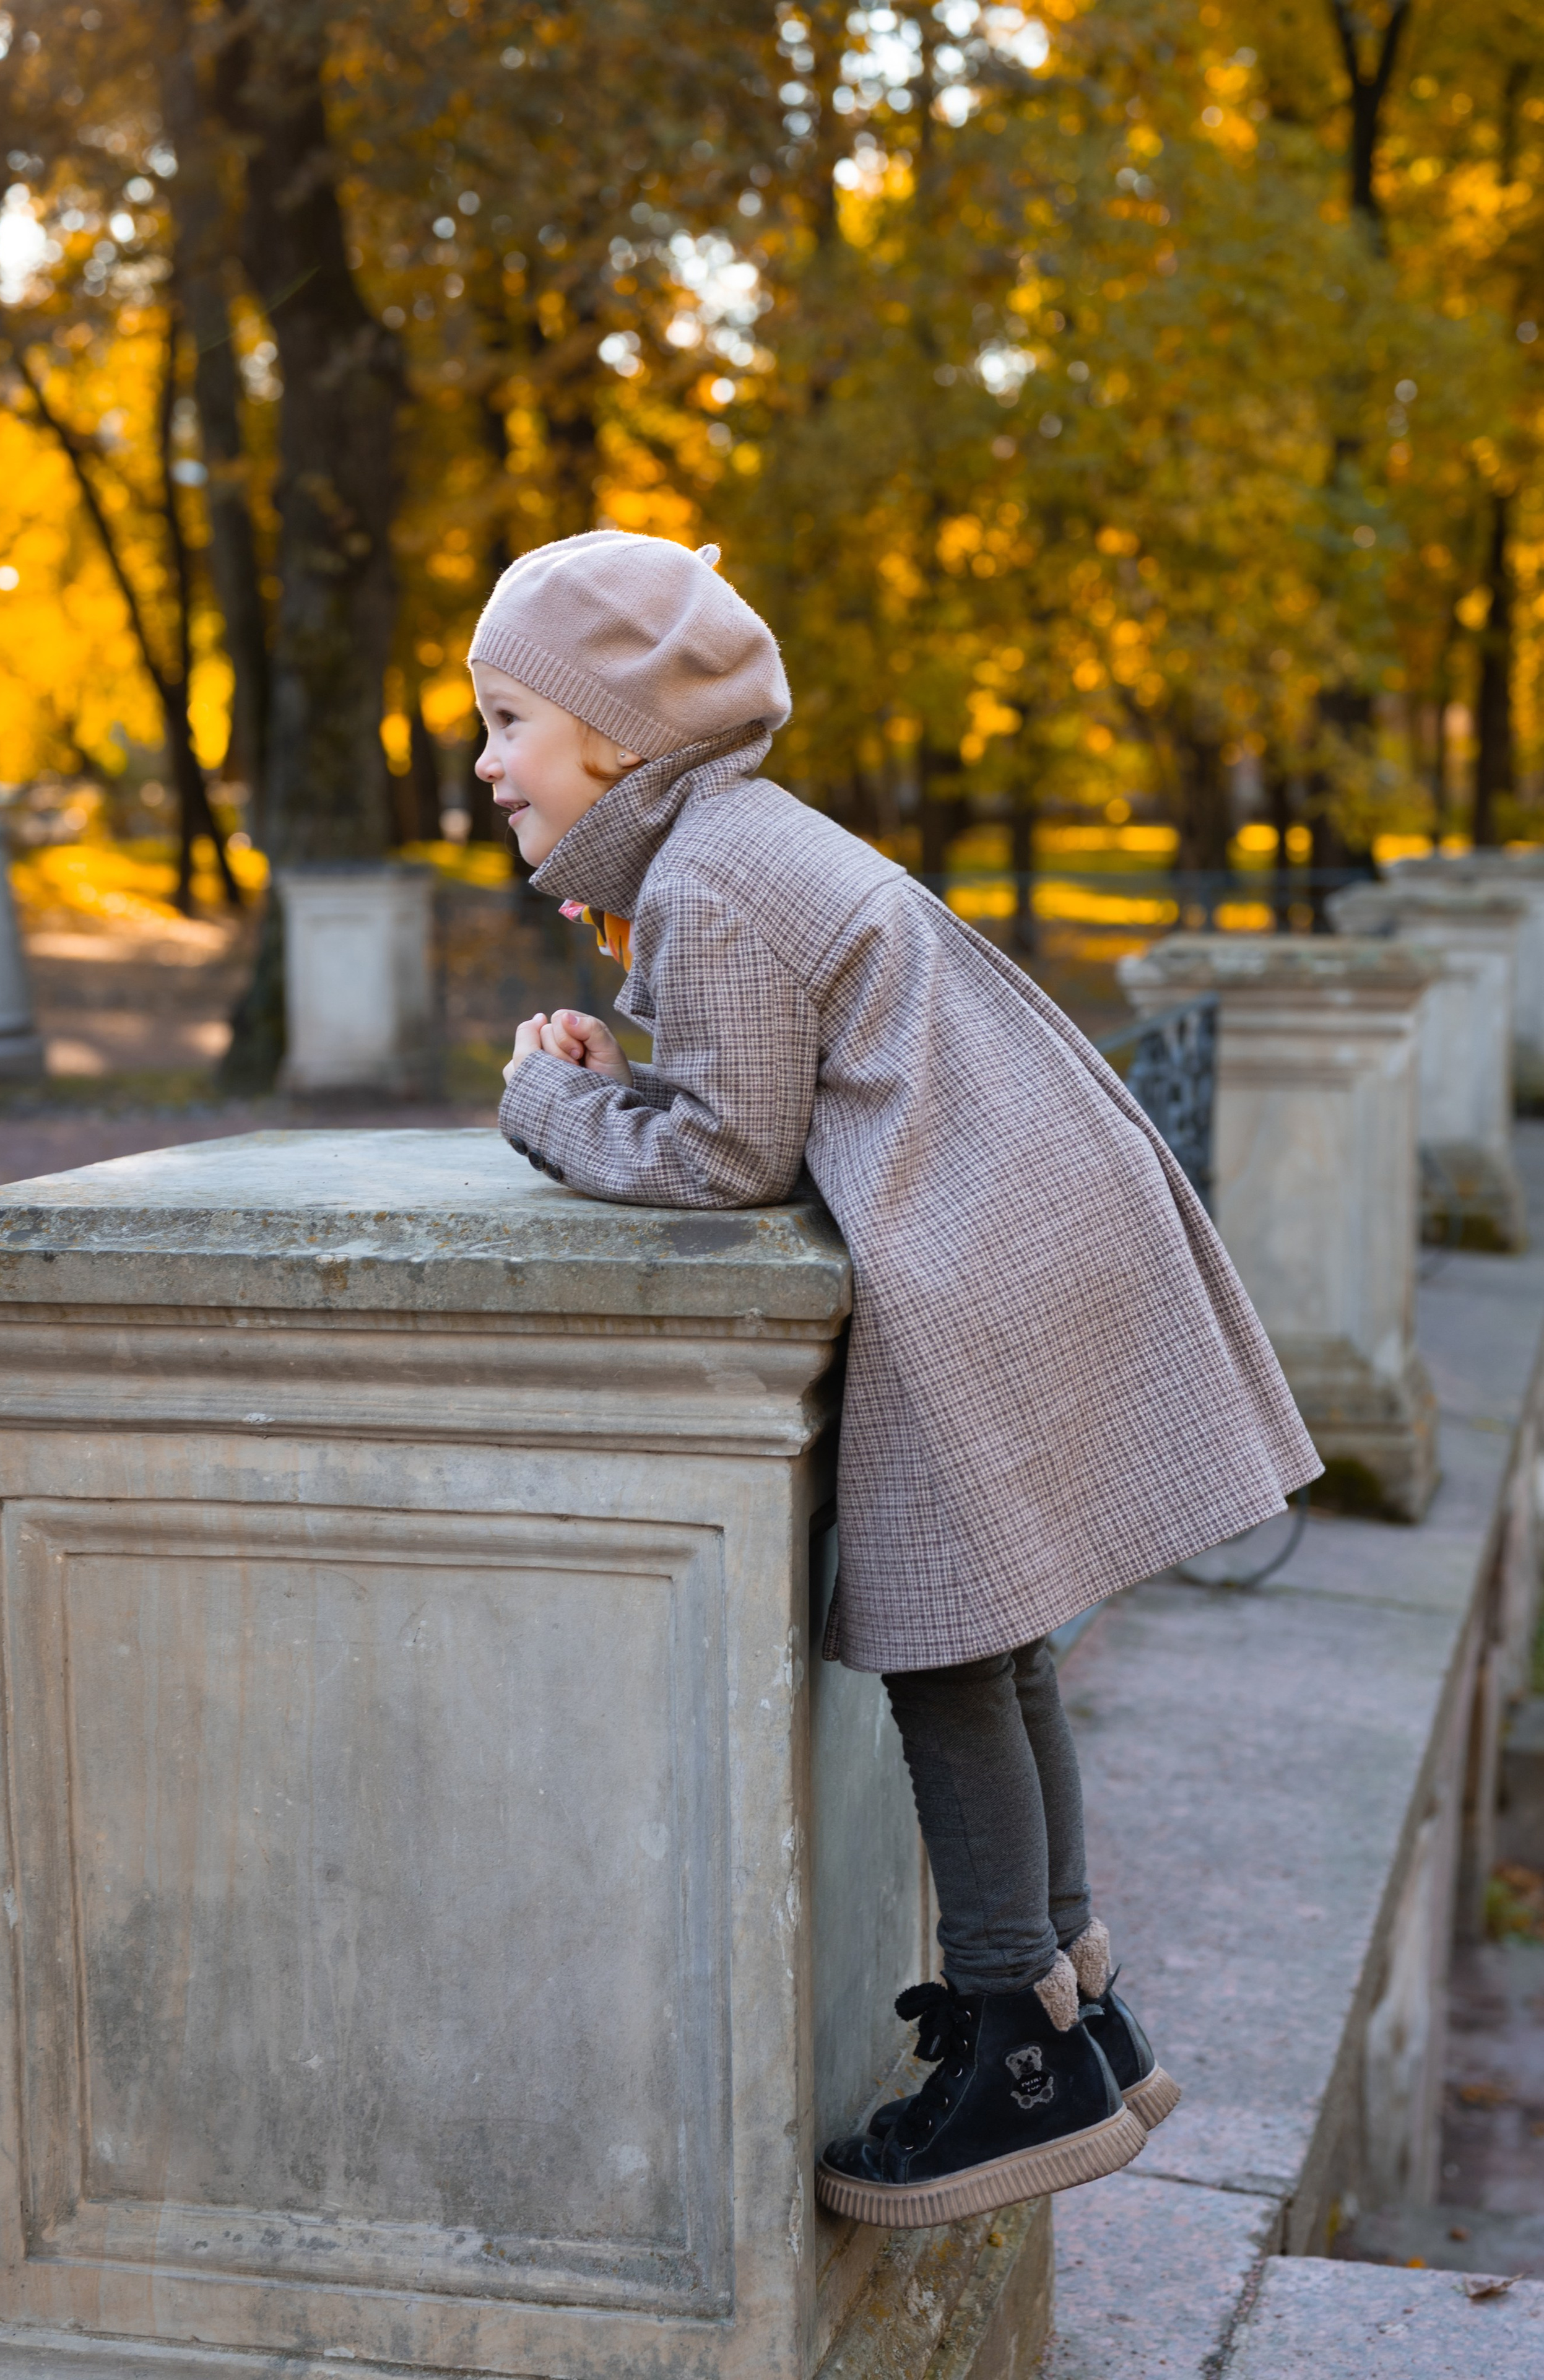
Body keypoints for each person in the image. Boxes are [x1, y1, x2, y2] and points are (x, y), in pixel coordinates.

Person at [474, 528, 1320, 2230]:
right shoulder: (726, 846)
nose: (485, 760)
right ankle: (1082, 2000)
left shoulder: (712, 873)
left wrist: (544, 1101)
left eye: (506, 718)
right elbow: (774, 1072)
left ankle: (1016, 2045)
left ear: (618, 736)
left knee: (940, 1646)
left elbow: (723, 1160)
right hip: (1019, 1213)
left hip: (976, 1257)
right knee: (999, 1646)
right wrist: (614, 1037)